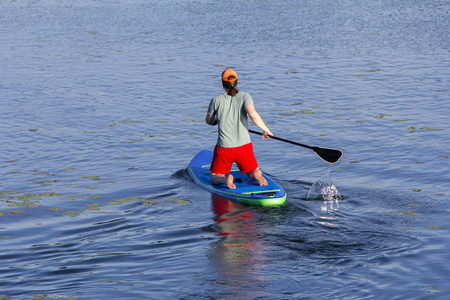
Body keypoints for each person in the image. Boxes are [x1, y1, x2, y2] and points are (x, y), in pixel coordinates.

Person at [205, 69, 273, 189]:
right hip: (244, 147)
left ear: (222, 84)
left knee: (215, 176)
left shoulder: (216, 100)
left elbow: (209, 121)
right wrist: (265, 129)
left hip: (224, 148)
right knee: (253, 170)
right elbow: (253, 115)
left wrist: (216, 121)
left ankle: (225, 179)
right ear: (237, 82)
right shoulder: (245, 96)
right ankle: (258, 177)